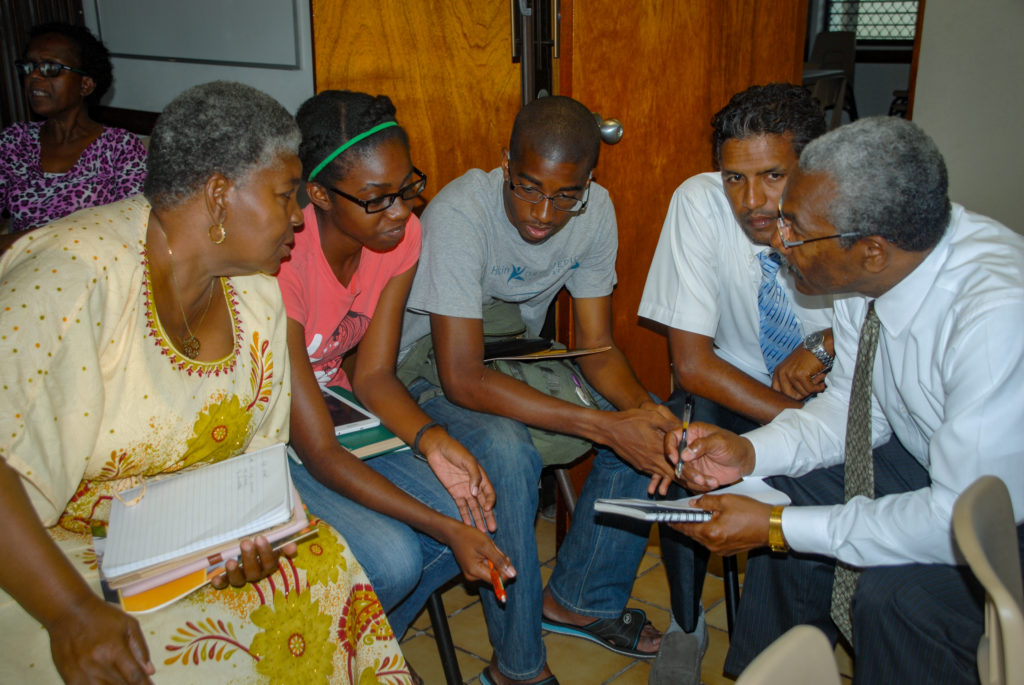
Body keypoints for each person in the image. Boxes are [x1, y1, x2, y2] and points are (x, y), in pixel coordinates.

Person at [0, 81, 411, 684]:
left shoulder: (255, 293)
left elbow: (249, 470)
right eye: (282, 196)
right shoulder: (72, 279)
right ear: (219, 196)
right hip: (42, 563)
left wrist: (245, 537)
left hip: (163, 549)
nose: (298, 218)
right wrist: (71, 614)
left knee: (321, 567)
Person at [671, 116, 1024, 684]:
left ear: (872, 251)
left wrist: (779, 527)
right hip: (945, 471)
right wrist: (748, 453)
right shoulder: (872, 276)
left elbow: (958, 517)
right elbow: (850, 413)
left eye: (796, 230)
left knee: (896, 598)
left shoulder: (994, 318)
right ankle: (768, 675)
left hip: (1000, 516)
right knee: (791, 486)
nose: (780, 240)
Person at [397, 95, 682, 685]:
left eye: (565, 195)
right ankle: (517, 668)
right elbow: (461, 376)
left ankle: (580, 598)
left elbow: (598, 348)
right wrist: (603, 425)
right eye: (528, 187)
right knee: (506, 452)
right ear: (505, 163)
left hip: (515, 352)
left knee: (650, 419)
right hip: (427, 366)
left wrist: (641, 413)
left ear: (588, 183)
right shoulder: (459, 214)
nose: (544, 213)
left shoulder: (595, 212)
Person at [277, 89, 512, 644]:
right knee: (396, 558)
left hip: (335, 411)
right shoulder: (283, 257)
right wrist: (443, 527)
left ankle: (364, 657)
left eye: (407, 188)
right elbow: (317, 449)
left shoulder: (399, 237)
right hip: (269, 434)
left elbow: (373, 374)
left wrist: (432, 440)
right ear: (320, 194)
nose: (402, 210)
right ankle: (327, 656)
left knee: (470, 511)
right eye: (377, 198)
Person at [637, 83, 832, 683]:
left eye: (773, 175)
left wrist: (822, 345)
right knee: (681, 454)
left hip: (831, 395)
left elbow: (884, 329)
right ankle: (685, 622)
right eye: (734, 178)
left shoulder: (845, 207)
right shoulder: (700, 203)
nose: (751, 201)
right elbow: (693, 365)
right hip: (736, 383)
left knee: (812, 482)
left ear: (813, 167)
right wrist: (791, 424)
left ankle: (795, 643)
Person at [0, 22, 146, 236]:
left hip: (91, 263)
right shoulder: (14, 142)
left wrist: (25, 239)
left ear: (85, 84)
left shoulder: (121, 148)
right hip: (21, 266)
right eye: (29, 67)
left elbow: (132, 228)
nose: (34, 77)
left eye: (51, 68)